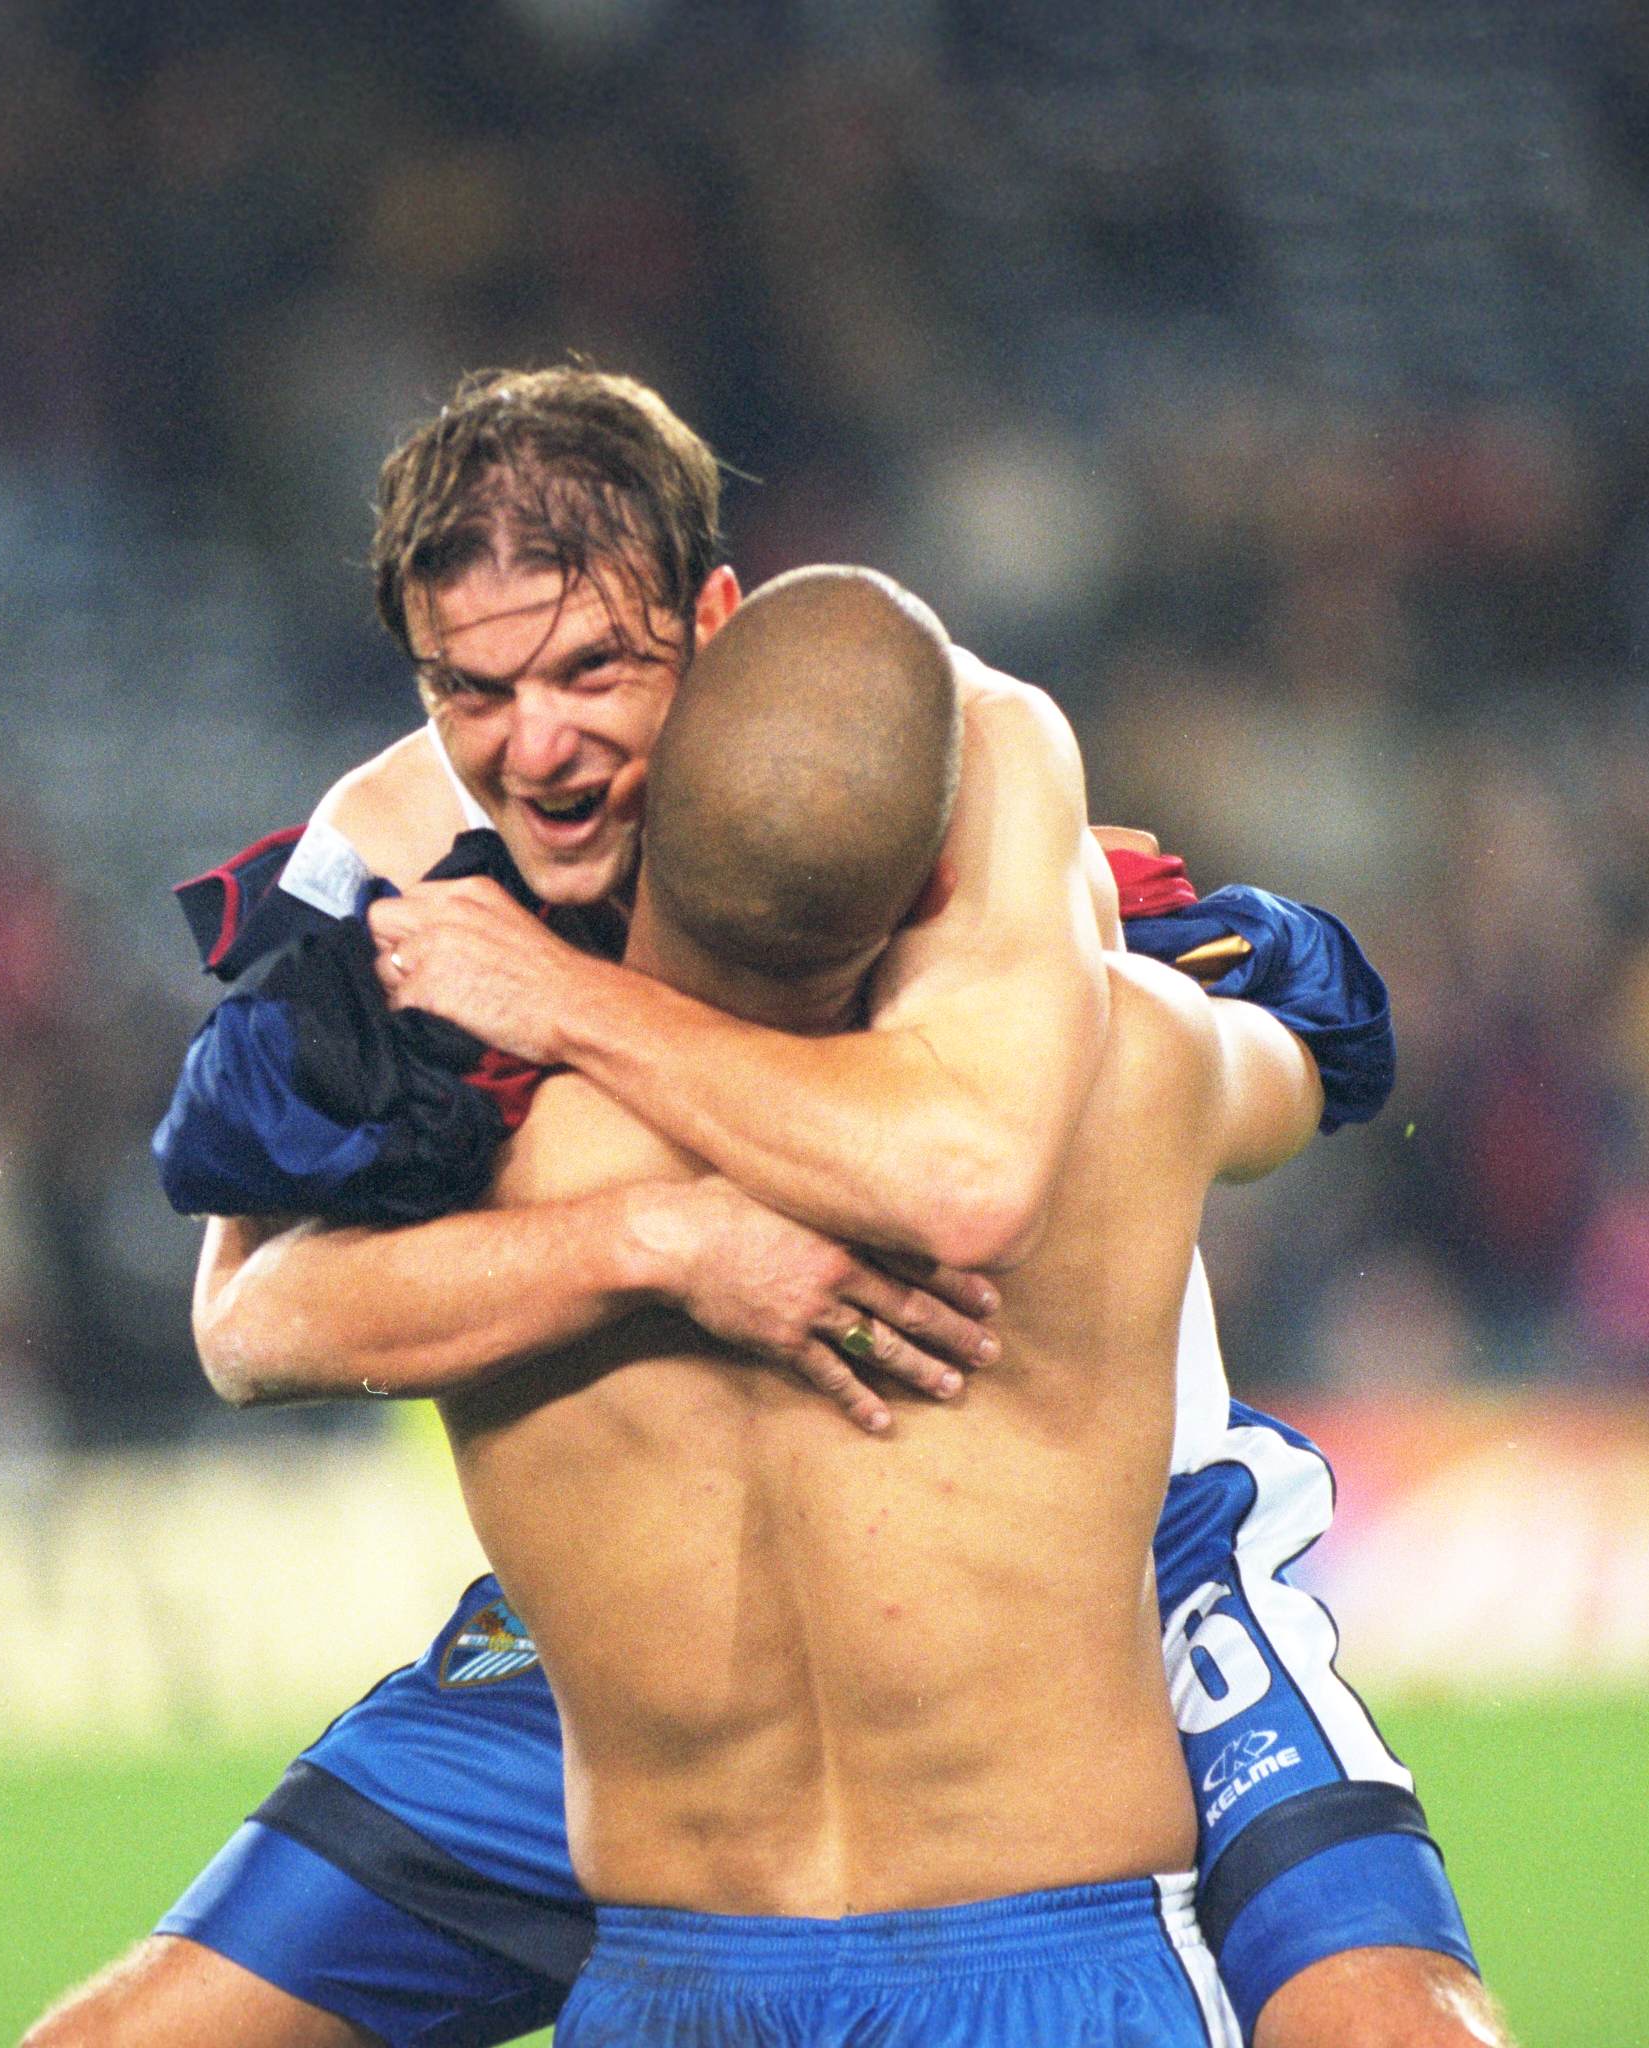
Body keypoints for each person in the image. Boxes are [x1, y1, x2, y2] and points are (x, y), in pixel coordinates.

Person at [24, 371, 1494, 2048]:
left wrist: (569, 1011)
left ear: (715, 623)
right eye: (472, 690)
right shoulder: (395, 858)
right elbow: (241, 1320)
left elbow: (974, 1174)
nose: (542, 747)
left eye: (596, 668)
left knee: (1389, 2029)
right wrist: (665, 1246)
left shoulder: (956, 745)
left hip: (1106, 1574)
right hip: (632, 1677)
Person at [450, 567, 1303, 2040]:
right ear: (929, 885)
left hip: (671, 1982)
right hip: (1063, 1973)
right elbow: (1307, 1075)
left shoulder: (471, 1154)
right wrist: (1068, 921)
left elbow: (256, 1326)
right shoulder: (1134, 1070)